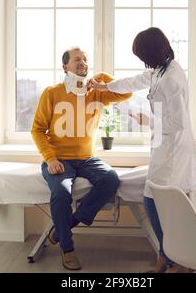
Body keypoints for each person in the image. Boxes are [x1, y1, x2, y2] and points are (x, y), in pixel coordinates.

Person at [88, 27, 196, 273]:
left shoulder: (172, 78)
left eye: (142, 56)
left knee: (152, 200)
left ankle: (173, 258)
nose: (142, 61)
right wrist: (106, 87)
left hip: (172, 151)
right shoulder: (162, 69)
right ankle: (169, 257)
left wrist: (148, 121)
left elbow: (178, 122)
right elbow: (137, 80)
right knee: (161, 203)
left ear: (152, 52)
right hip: (164, 146)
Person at [31, 47, 132, 270]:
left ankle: (69, 223)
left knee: (111, 179)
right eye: (77, 59)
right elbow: (37, 130)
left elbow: (127, 93)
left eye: (85, 59)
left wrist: (104, 78)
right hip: (59, 158)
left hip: (86, 159)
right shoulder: (52, 92)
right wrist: (50, 159)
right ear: (65, 66)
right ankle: (67, 249)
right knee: (61, 193)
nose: (83, 63)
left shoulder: (96, 92)